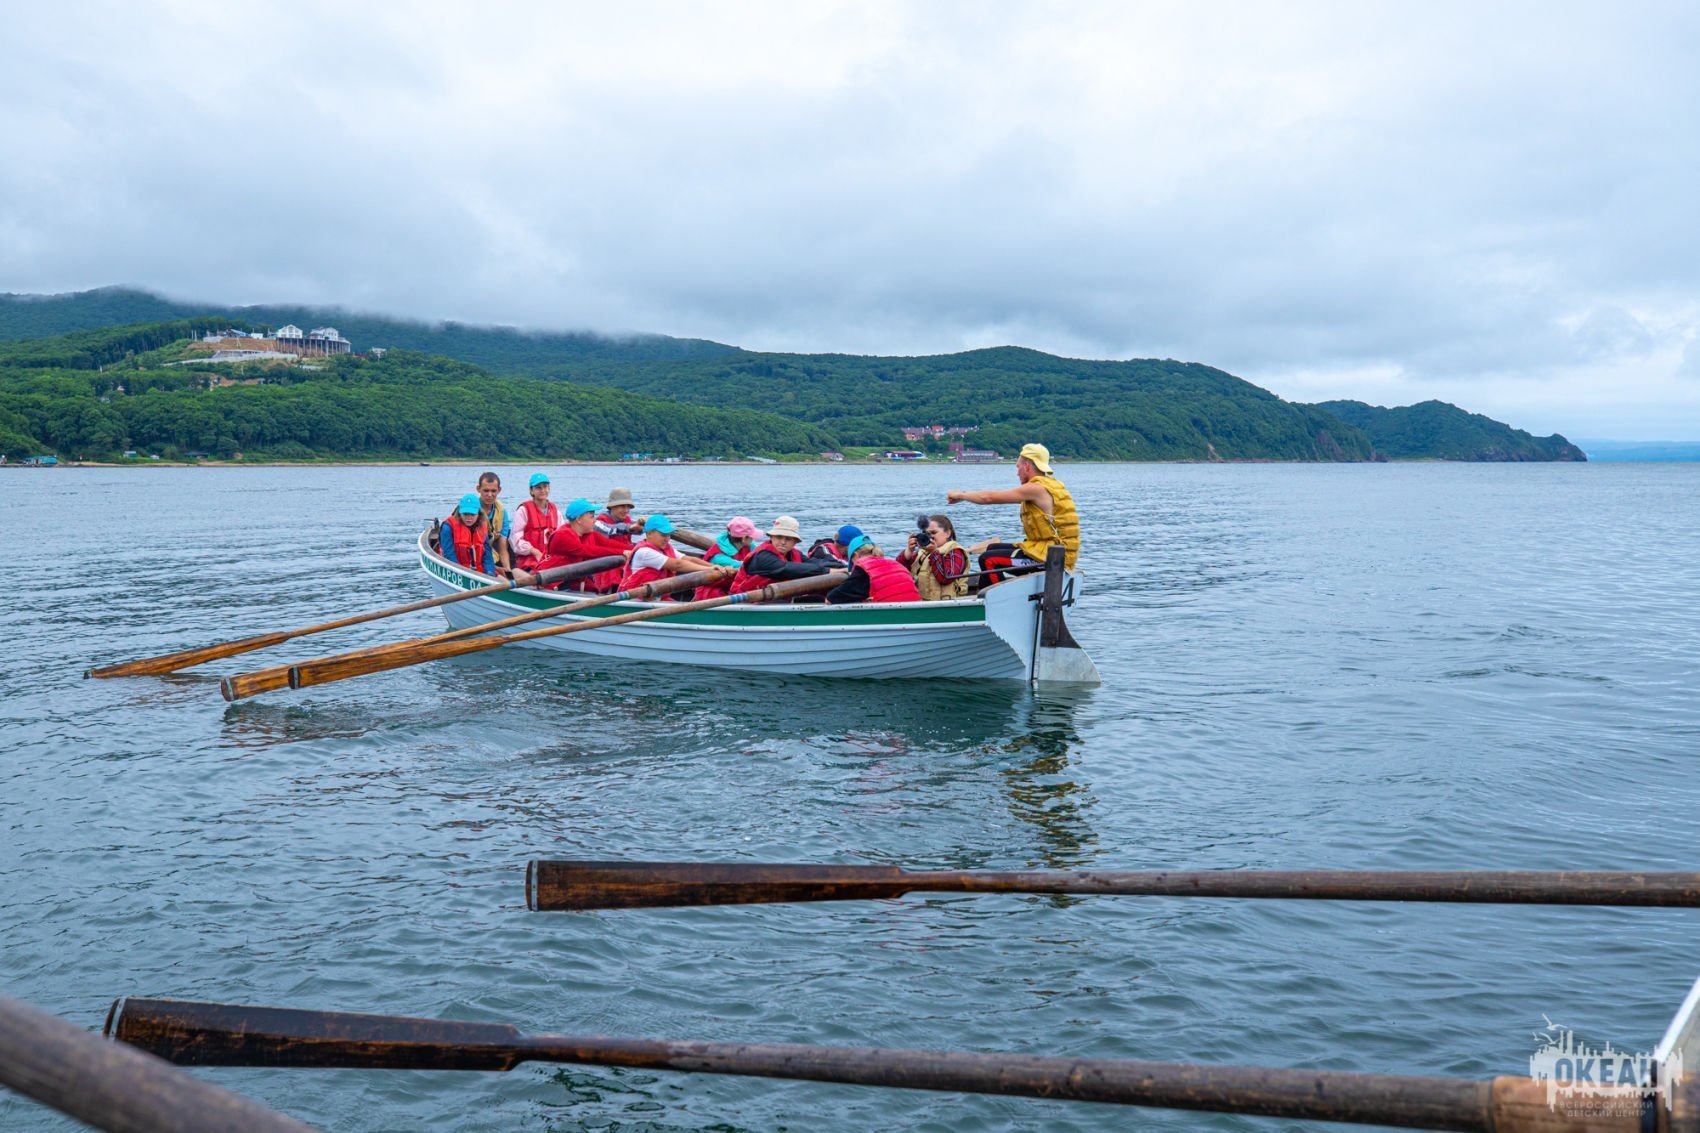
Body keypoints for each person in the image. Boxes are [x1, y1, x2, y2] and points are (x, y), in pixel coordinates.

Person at [946, 442, 1079, 577]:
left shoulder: (1035, 488)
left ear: (1027, 466)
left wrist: (961, 495)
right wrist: (965, 497)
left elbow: (988, 498)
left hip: (1052, 559)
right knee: (992, 548)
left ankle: (996, 591)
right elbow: (995, 498)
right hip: (1052, 551)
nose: (1017, 473)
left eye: (1018, 467)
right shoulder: (1051, 486)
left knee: (988, 559)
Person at [536, 498, 633, 591]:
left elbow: (609, 544)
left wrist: (635, 549)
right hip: (553, 582)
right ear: (579, 519)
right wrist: (622, 552)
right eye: (591, 517)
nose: (594, 520)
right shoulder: (562, 536)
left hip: (573, 579)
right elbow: (589, 551)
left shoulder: (588, 533)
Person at [729, 516, 837, 595]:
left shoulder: (795, 554)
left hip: (775, 598)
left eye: (788, 539)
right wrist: (827, 571)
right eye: (779, 537)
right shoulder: (762, 556)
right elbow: (785, 568)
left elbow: (814, 563)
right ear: (771, 537)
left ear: (795, 542)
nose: (783, 542)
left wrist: (839, 568)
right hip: (744, 600)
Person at [618, 514, 717, 598]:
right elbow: (678, 565)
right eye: (663, 535)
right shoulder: (645, 552)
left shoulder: (665, 548)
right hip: (636, 598)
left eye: (669, 535)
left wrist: (714, 567)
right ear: (649, 534)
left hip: (656, 596)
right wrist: (708, 569)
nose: (667, 539)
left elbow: (689, 559)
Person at [827, 535, 922, 604]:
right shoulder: (896, 564)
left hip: (892, 616)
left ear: (856, 555)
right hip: (915, 611)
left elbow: (831, 599)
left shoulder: (864, 570)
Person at [897, 514, 971, 600]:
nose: (930, 537)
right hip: (922, 603)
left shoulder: (955, 552)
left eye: (933, 533)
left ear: (948, 533)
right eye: (926, 534)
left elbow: (945, 579)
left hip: (949, 603)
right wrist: (908, 552)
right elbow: (898, 575)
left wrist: (934, 553)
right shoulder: (922, 554)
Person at [693, 516, 759, 600]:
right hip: (713, 592)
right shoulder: (718, 557)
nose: (753, 539)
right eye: (751, 536)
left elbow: (760, 556)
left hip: (733, 586)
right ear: (744, 538)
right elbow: (747, 565)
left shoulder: (749, 545)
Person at [510, 472, 560, 572]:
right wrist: (534, 551)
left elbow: (562, 536)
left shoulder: (555, 511)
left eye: (545, 487)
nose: (542, 490)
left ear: (549, 489)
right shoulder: (523, 510)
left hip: (550, 558)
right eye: (538, 488)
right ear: (531, 491)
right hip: (529, 560)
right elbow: (515, 540)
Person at [440, 493, 495, 575]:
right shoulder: (448, 528)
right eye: (465, 514)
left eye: (472, 514)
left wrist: (489, 573)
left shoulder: (483, 527)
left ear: (479, 513)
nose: (469, 518)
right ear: (459, 513)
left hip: (479, 572)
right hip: (458, 571)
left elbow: (487, 555)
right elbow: (449, 554)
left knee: (500, 578)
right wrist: (462, 574)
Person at [476, 471, 513, 574]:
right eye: (486, 491)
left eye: (493, 491)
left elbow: (502, 548)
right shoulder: (471, 511)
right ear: (478, 489)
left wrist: (507, 569)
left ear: (499, 490)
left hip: (491, 554)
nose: (489, 495)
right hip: (474, 556)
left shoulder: (502, 513)